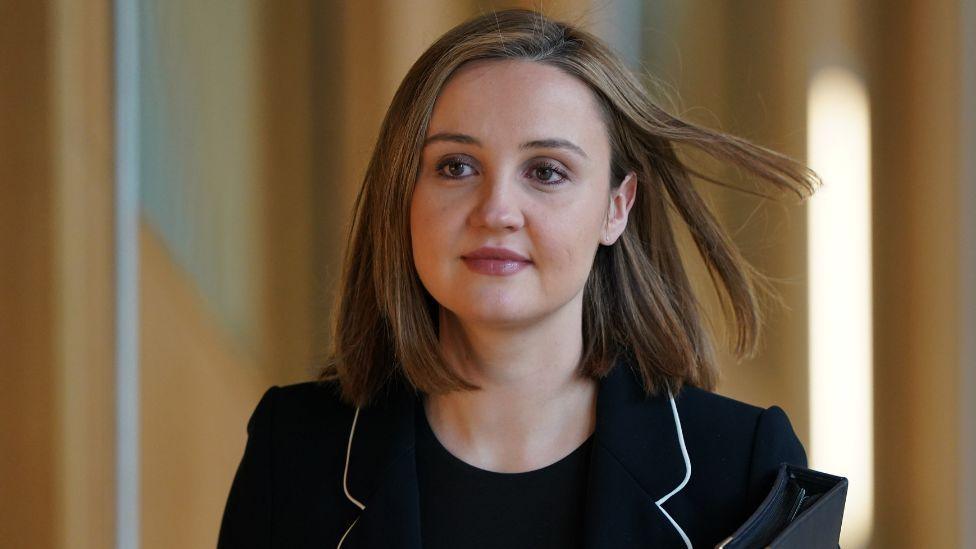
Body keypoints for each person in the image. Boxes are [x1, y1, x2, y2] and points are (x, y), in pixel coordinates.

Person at [217, 8, 819, 549]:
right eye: (456, 166)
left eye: (547, 171)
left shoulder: (744, 468)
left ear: (617, 207)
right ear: (402, 194)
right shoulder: (294, 449)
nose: (496, 210)